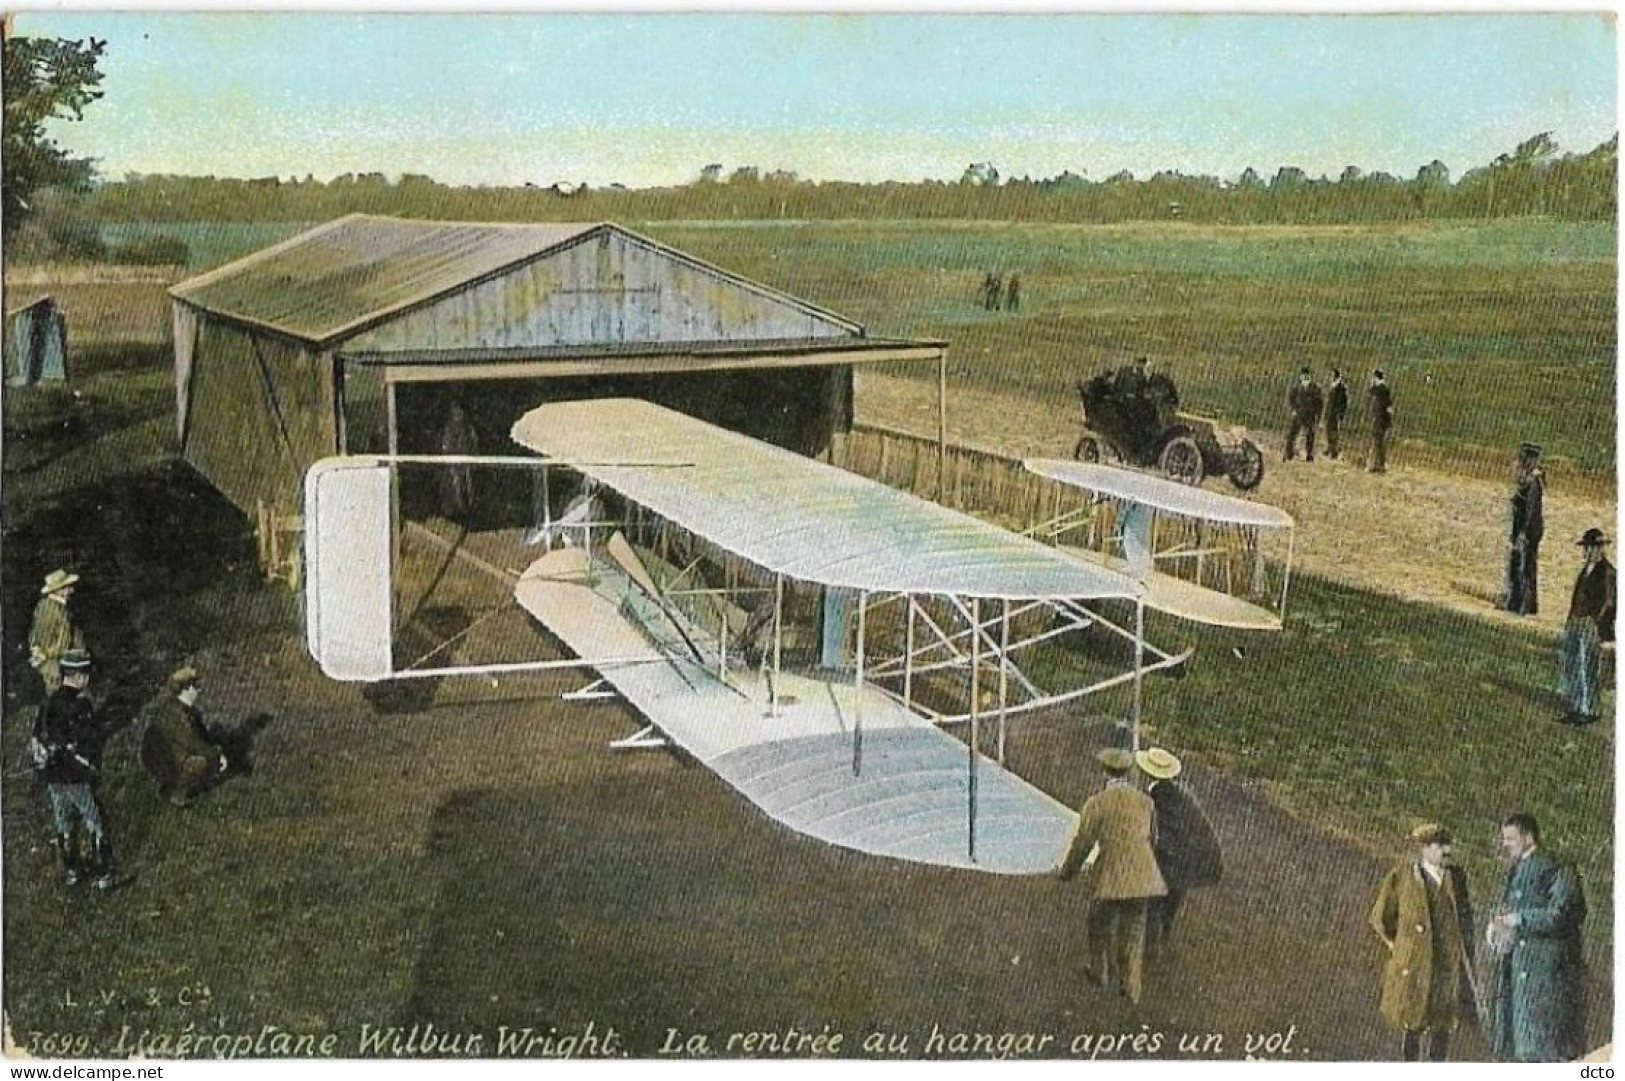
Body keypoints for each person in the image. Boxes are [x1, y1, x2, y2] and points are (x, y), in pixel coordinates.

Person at [1056, 747, 1167, 1006]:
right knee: (1133, 933)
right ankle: (1132, 990)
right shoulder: (1145, 802)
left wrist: (1067, 872)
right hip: (1144, 875)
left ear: (1104, 771)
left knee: (1097, 923)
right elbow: (1154, 838)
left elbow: (1082, 843)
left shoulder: (1097, 803)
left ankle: (1099, 971)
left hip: (1111, 875)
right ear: (1128, 772)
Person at [1367, 823, 1478, 1062]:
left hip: (1446, 963)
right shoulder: (1404, 876)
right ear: (1425, 849)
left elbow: (1466, 917)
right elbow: (1381, 917)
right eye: (1439, 846)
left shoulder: (1456, 877)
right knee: (1413, 1020)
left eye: (1447, 845)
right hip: (1416, 963)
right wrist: (1399, 946)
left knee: (1443, 1023)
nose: (1445, 851)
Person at [1485, 812, 1587, 1062]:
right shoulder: (1516, 869)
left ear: (1529, 837)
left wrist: (1519, 919)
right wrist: (1496, 928)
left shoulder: (1557, 866)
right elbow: (1509, 909)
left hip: (1547, 973)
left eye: (1510, 838)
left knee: (1548, 1049)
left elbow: (1562, 913)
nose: (1505, 844)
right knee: (1522, 1049)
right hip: (1520, 971)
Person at [30, 651, 125, 891]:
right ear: (80, 676)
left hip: (52, 775)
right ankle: (103, 874)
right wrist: (91, 767)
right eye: (87, 675)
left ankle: (71, 871)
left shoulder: (47, 704)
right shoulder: (81, 706)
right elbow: (89, 742)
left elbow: (37, 738)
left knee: (64, 824)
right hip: (75, 774)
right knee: (94, 821)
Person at [1136, 747, 1222, 958]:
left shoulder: (1154, 799)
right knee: (1175, 893)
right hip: (1191, 856)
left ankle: (1151, 946)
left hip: (1175, 857)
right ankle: (1165, 931)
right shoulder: (1182, 795)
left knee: (1155, 898)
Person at [143, 666, 235, 807]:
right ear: (186, 688)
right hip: (163, 759)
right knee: (199, 763)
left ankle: (171, 786)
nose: (199, 691)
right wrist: (216, 754)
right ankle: (176, 794)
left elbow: (199, 736)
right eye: (196, 686)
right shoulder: (174, 714)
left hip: (164, 756)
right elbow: (190, 741)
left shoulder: (179, 709)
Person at [1558, 528, 1615, 726]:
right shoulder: (1586, 570)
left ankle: (1588, 709)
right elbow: (1577, 597)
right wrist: (1571, 618)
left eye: (1591, 548)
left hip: (1591, 624)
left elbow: (1608, 602)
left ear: (1600, 549)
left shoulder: (1607, 572)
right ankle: (1575, 707)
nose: (1588, 552)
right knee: (1572, 663)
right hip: (1576, 621)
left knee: (1586, 666)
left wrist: (1596, 622)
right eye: (1587, 548)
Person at [28, 568, 86, 696]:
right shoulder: (47, 609)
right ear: (59, 590)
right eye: (67, 587)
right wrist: (55, 674)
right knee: (57, 701)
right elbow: (42, 644)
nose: (71, 590)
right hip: (53, 669)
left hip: (66, 666)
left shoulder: (63, 607)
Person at [1504, 442, 1545, 615]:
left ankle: (1523, 603)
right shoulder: (1529, 479)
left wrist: (1523, 533)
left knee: (1525, 565)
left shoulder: (1533, 481)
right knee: (1521, 563)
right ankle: (1518, 600)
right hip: (1523, 528)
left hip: (1527, 530)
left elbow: (1531, 510)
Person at [1284, 367, 1324, 461]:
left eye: (1306, 376)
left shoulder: (1315, 388)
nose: (1304, 378)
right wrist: (1293, 410)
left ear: (1309, 376)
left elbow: (1319, 403)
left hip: (1310, 415)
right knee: (1292, 434)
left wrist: (1318, 415)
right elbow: (1291, 399)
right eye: (1303, 376)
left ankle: (1309, 454)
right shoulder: (1297, 388)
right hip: (1299, 414)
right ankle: (1289, 453)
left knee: (1310, 435)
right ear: (1301, 376)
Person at [1367, 369, 1394, 473]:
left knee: (1378, 442)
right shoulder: (1383, 388)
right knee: (1378, 442)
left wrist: (1372, 384)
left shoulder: (1382, 389)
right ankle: (1378, 464)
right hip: (1381, 419)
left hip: (1380, 420)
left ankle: (1378, 465)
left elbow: (1373, 392)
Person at [1325, 368, 1350, 460]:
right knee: (1328, 430)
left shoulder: (1342, 387)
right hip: (1330, 413)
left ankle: (1334, 452)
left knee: (1334, 432)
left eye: (1332, 375)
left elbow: (1344, 402)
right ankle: (1330, 448)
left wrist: (1340, 413)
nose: (1330, 377)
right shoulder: (1333, 386)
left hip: (1336, 413)